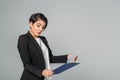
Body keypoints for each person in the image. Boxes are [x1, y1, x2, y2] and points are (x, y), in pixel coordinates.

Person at [17, 13, 77, 80]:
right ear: (31, 24)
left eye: (43, 27)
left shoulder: (43, 39)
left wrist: (67, 57)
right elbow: (26, 64)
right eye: (38, 25)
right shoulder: (23, 39)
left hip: (43, 78)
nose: (40, 29)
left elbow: (50, 58)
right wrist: (42, 72)